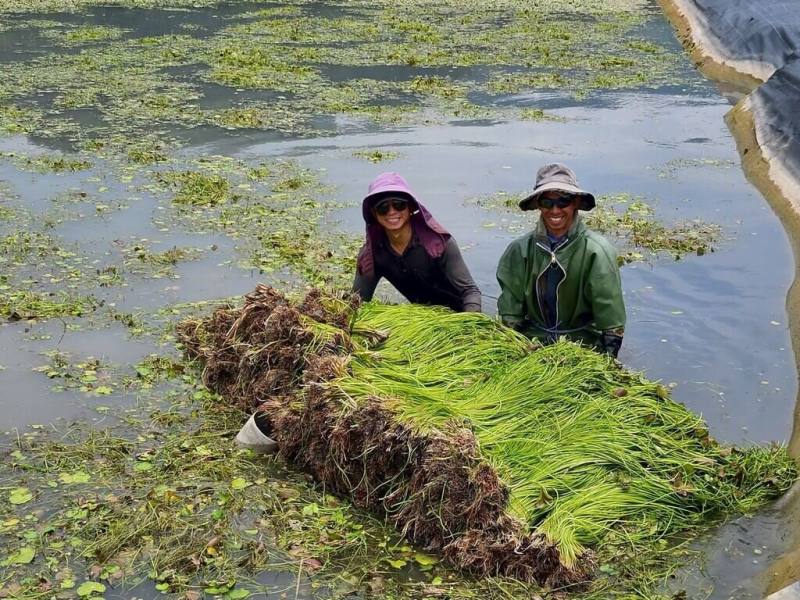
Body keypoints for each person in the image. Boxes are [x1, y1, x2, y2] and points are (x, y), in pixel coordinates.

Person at [496, 163, 625, 357]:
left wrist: (609, 363)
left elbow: (611, 318)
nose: (555, 210)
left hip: (584, 346)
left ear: (575, 203)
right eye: (547, 202)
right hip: (533, 342)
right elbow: (511, 310)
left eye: (563, 201)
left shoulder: (597, 252)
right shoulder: (520, 250)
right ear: (539, 205)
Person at [353, 172, 481, 312]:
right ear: (374, 213)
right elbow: (357, 301)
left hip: (461, 315)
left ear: (411, 208)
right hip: (424, 320)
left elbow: (470, 292)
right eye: (383, 207)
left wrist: (468, 326)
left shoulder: (439, 245)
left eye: (399, 205)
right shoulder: (373, 255)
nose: (391, 212)